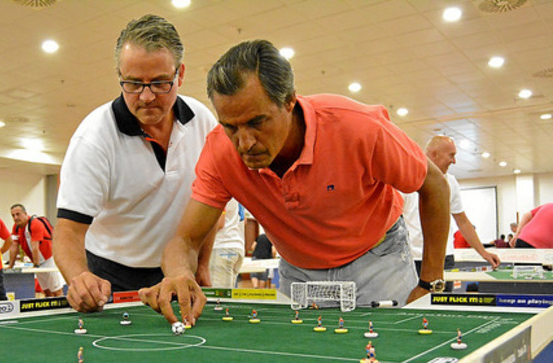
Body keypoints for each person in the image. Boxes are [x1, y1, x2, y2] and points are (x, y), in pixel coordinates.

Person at [141, 39, 450, 324]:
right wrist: (179, 273)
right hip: (299, 272)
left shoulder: (357, 127)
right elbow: (184, 240)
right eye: (230, 127)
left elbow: (434, 185)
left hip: (378, 261)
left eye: (257, 122)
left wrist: (430, 283)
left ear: (289, 100)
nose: (244, 143)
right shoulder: (220, 152)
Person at [53, 14, 218, 313]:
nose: (146, 96)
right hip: (111, 274)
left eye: (160, 83)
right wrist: (79, 277)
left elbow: (211, 206)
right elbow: (68, 231)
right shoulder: (94, 138)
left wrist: (202, 265)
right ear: (120, 75)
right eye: (133, 83)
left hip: (179, 269)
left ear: (180, 75)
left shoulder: (204, 122)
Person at [403, 136, 500, 274]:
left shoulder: (451, 182)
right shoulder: (408, 179)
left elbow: (462, 221)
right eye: (451, 155)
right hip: (414, 258)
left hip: (444, 257)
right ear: (434, 154)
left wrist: (483, 252)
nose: (454, 161)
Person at [8, 204, 65, 297]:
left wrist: (36, 265)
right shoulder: (16, 227)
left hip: (49, 259)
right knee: (46, 292)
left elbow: (35, 247)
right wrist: (11, 265)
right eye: (13, 215)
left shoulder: (35, 224)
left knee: (56, 291)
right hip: (38, 262)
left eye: (18, 214)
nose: (15, 218)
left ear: (25, 213)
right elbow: (14, 246)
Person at [207, 199, 245, 288]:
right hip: (236, 246)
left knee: (219, 295)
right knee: (228, 293)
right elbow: (244, 220)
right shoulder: (237, 193)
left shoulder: (220, 193)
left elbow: (220, 222)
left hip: (222, 246)